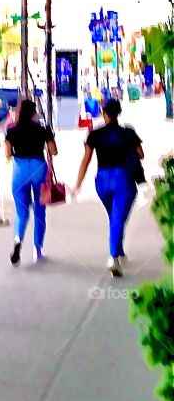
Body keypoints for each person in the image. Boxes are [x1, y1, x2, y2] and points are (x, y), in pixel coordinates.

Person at [73, 98, 144, 276]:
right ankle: (113, 257)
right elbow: (141, 155)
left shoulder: (95, 134)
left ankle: (119, 250)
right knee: (119, 217)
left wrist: (78, 185)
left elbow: (86, 161)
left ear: (104, 113)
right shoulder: (128, 133)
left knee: (114, 216)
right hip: (123, 179)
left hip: (102, 181)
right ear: (119, 113)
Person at [4, 99, 57, 266]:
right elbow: (54, 151)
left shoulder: (11, 131)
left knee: (22, 213)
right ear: (34, 114)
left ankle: (18, 238)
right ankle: (37, 249)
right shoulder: (42, 130)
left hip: (19, 172)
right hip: (38, 169)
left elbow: (7, 154)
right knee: (40, 211)